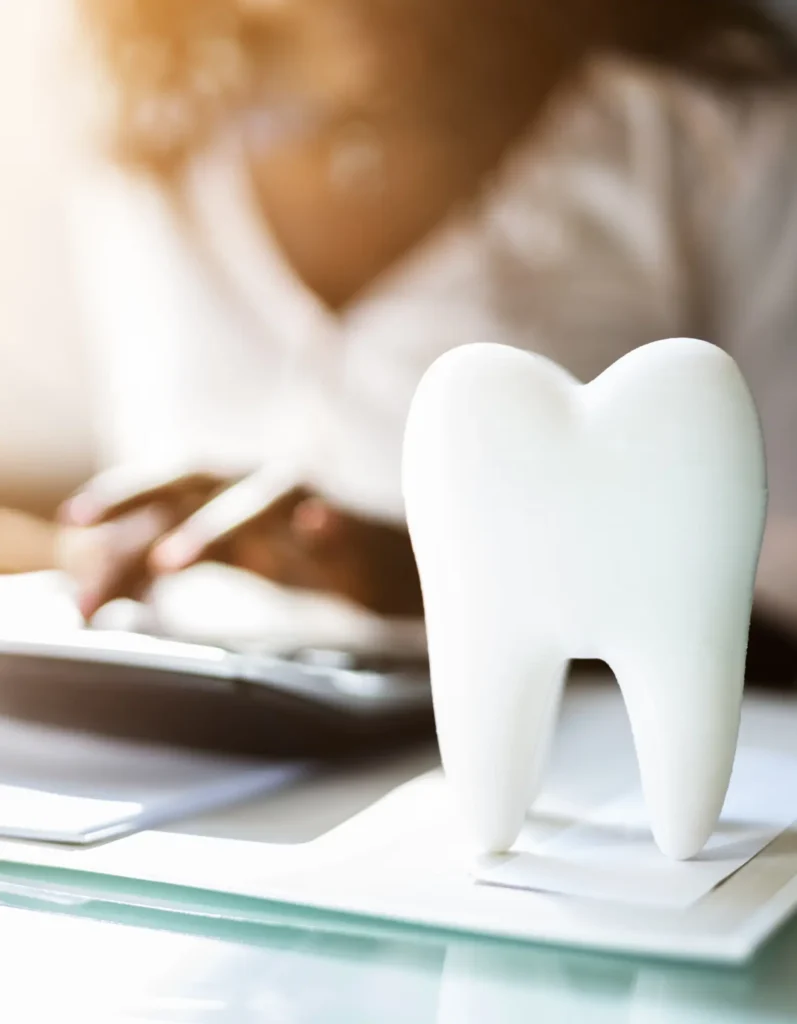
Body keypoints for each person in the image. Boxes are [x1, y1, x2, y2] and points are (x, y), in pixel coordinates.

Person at [57, 0, 797, 656]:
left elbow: (779, 605)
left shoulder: (709, 126)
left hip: (583, 791)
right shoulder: (136, 118)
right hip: (178, 759)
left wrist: (441, 579)